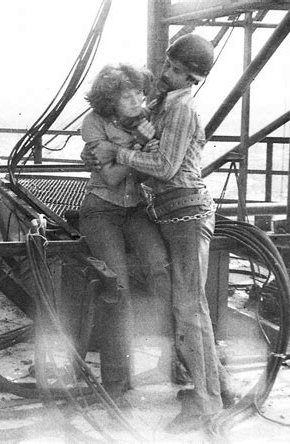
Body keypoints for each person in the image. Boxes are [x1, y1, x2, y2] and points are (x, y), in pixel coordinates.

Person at [88, 35, 234, 431]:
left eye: (174, 70)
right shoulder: (165, 107)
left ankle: (206, 405)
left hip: (187, 215)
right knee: (188, 307)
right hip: (169, 216)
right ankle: (221, 387)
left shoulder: (183, 109)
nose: (165, 74)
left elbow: (167, 166)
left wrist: (118, 154)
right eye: (167, 66)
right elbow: (147, 141)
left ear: (192, 78)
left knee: (189, 310)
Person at [78, 63, 172, 400]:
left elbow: (155, 169)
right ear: (110, 100)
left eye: (139, 94)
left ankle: (176, 360)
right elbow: (112, 178)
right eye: (127, 96)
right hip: (101, 210)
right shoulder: (93, 122)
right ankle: (116, 381)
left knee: (162, 270)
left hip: (136, 210)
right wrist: (138, 147)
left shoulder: (147, 120)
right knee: (117, 288)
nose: (136, 101)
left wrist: (125, 153)